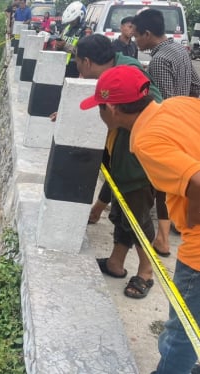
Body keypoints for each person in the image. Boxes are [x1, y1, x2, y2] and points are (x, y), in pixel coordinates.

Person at [79, 64, 200, 374]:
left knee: (181, 333)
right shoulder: (177, 105)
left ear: (114, 108)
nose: (100, 113)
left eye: (100, 107)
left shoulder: (145, 140)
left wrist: (191, 222)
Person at [75, 34, 163, 298]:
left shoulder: (129, 72)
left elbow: (152, 105)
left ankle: (146, 271)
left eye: (78, 64)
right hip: (122, 159)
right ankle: (116, 263)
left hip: (138, 165)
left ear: (87, 62)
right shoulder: (113, 74)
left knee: (138, 218)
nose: (78, 73)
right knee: (122, 215)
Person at [132, 8, 200, 256]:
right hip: (184, 121)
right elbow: (196, 85)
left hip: (170, 127)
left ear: (148, 34)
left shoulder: (160, 60)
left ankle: (163, 238)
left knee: (165, 184)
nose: (136, 41)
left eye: (138, 36)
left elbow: (164, 100)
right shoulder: (180, 51)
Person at [55, 1, 87, 77]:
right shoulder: (67, 28)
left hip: (75, 69)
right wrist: (58, 45)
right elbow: (60, 41)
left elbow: (83, 52)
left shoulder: (85, 31)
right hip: (62, 65)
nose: (71, 22)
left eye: (73, 19)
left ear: (80, 17)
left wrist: (65, 46)